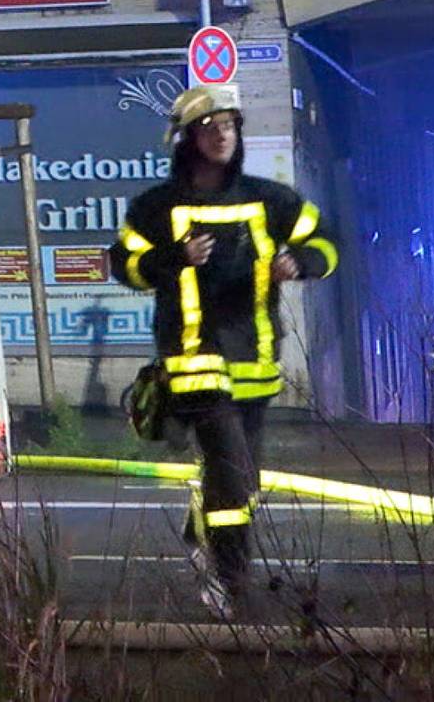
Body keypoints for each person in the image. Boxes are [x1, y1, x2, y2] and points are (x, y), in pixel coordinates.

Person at [111, 84, 338, 617]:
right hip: (192, 362)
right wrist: (174, 256)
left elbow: (326, 240)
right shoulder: (154, 207)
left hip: (255, 361)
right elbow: (124, 264)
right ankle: (232, 583)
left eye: (230, 125)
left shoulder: (270, 200)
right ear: (187, 139)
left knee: (243, 480)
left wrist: (301, 262)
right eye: (210, 127)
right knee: (231, 474)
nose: (222, 135)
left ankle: (200, 529)